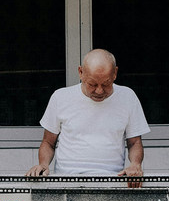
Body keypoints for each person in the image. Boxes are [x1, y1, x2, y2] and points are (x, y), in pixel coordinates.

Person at [26, 48, 149, 187]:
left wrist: (135, 164)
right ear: (80, 72)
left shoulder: (128, 97)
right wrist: (43, 165)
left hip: (112, 181)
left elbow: (134, 143)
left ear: (115, 73)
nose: (99, 91)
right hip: (67, 182)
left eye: (106, 84)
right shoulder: (60, 97)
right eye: (92, 84)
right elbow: (48, 143)